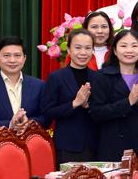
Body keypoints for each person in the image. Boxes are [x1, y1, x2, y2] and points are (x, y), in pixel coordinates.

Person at [89, 29, 138, 173]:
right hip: (113, 144)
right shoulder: (102, 76)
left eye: (134, 45)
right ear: (114, 50)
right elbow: (96, 112)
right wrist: (128, 102)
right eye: (124, 46)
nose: (129, 50)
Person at [41, 29, 98, 164]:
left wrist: (88, 106)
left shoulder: (97, 77)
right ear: (69, 50)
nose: (83, 52)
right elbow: (47, 111)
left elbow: (102, 109)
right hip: (67, 145)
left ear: (92, 50)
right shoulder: (56, 77)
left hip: (94, 144)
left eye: (87, 48)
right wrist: (74, 103)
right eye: (78, 48)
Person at [0, 36, 46, 135]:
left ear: (24, 58)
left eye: (17, 55)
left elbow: (46, 117)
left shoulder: (39, 85)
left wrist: (29, 123)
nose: (12, 60)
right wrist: (10, 124)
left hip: (31, 142)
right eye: (7, 55)